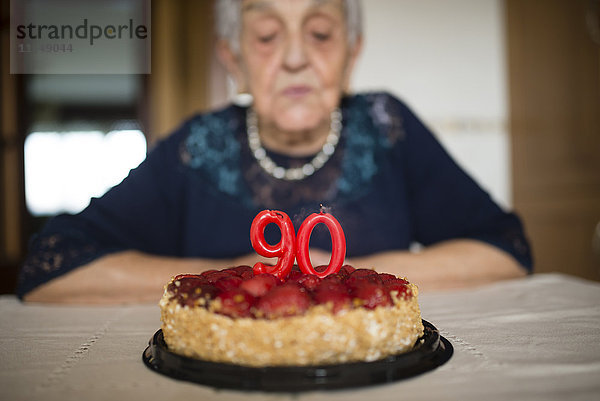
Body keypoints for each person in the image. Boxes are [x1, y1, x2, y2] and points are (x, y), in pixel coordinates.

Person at [17, 0, 532, 303]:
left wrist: (339, 274)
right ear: (232, 57)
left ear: (351, 54)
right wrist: (236, 275)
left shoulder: (387, 125)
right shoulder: (196, 145)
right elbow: (48, 270)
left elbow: (507, 252)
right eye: (265, 35)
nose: (293, 58)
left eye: (321, 34)